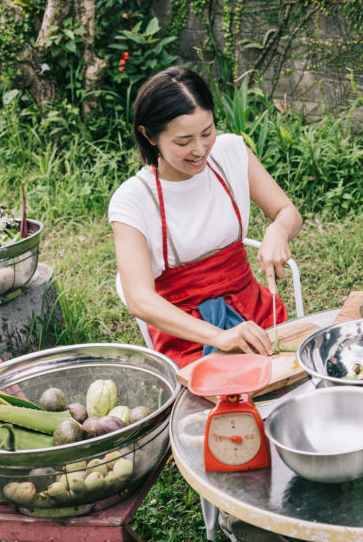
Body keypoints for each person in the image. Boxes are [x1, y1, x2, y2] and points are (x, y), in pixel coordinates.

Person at [110, 67, 302, 370]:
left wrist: (278, 230)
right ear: (149, 135)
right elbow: (139, 299)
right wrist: (221, 337)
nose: (200, 150)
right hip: (189, 338)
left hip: (255, 315)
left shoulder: (230, 152)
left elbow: (287, 212)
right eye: (183, 141)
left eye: (207, 132)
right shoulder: (133, 200)